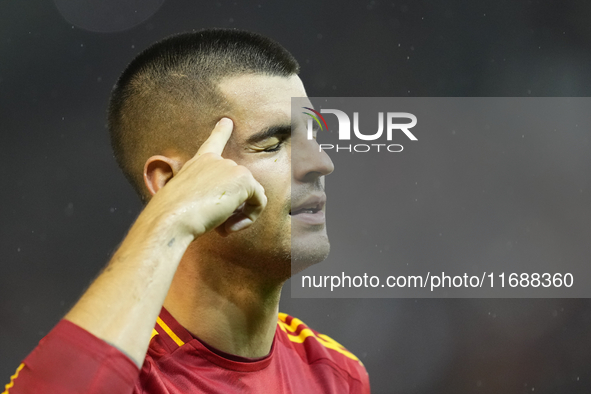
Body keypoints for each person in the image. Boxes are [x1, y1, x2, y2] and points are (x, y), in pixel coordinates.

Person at [3, 29, 370, 393]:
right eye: (272, 144)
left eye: (315, 136)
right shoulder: (124, 377)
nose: (321, 163)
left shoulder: (336, 374)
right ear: (169, 182)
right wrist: (170, 219)